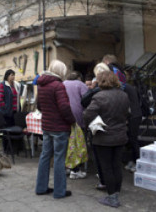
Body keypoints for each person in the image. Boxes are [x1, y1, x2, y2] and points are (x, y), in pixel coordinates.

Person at [83, 70, 131, 208]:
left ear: (100, 81)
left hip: (103, 136)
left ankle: (112, 197)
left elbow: (87, 114)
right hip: (120, 135)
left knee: (107, 167)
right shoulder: (124, 95)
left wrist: (92, 124)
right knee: (116, 165)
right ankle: (116, 193)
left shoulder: (99, 96)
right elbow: (127, 113)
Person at [34, 60, 76, 200]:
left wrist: (49, 112)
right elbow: (64, 107)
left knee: (45, 156)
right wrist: (72, 120)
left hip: (46, 126)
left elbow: (39, 105)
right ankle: (59, 192)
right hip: (59, 128)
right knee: (59, 158)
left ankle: (41, 188)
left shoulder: (42, 85)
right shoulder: (58, 85)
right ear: (61, 71)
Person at [63, 71, 89, 179]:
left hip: (64, 117)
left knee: (67, 143)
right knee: (78, 143)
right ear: (79, 77)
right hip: (78, 117)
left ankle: (68, 167)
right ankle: (75, 169)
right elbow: (87, 100)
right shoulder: (81, 85)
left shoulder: (63, 83)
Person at [121, 68, 142, 172]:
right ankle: (132, 160)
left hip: (133, 116)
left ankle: (137, 162)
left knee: (133, 140)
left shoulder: (124, 87)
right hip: (136, 115)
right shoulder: (130, 87)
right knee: (131, 140)